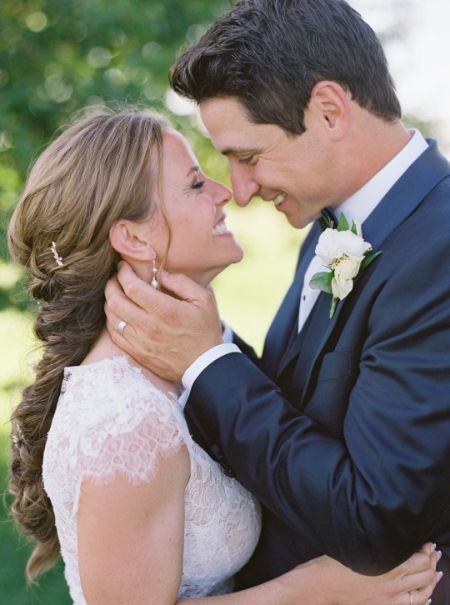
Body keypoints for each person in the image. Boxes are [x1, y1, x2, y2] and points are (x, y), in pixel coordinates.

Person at [8, 108, 438, 605]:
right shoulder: (126, 420)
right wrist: (312, 591)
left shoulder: (177, 366)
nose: (225, 193)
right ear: (133, 237)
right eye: (195, 185)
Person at [103, 1, 450, 604]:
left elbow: (373, 517)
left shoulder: (441, 249)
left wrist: (208, 363)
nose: (239, 191)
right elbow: (301, 406)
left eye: (249, 157)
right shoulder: (332, 223)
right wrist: (205, 343)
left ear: (329, 110)